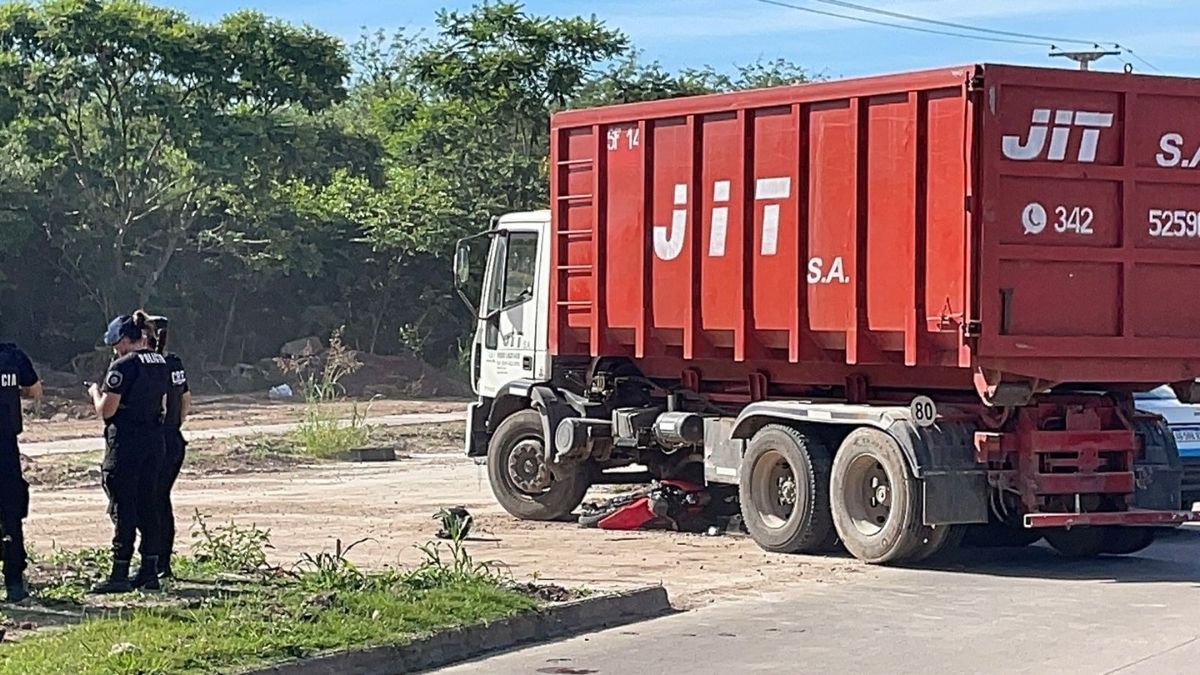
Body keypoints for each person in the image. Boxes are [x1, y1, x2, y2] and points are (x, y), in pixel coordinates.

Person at [88, 311, 170, 593]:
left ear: (125, 339)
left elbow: (107, 411)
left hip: (126, 443)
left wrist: (95, 394)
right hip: (154, 440)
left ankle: (119, 572)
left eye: (115, 343)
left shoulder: (123, 366)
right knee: (149, 504)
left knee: (123, 506)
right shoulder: (161, 362)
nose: (114, 349)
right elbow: (164, 405)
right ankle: (149, 571)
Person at [145, 315, 189, 579]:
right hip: (173, 438)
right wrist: (174, 427)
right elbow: (185, 400)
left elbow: (159, 403)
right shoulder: (174, 363)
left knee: (150, 501)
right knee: (162, 500)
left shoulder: (146, 366)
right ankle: (163, 562)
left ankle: (152, 561)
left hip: (155, 440)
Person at [0, 339, 41, 602]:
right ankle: (14, 582)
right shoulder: (12, 356)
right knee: (10, 514)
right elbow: (34, 390)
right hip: (6, 447)